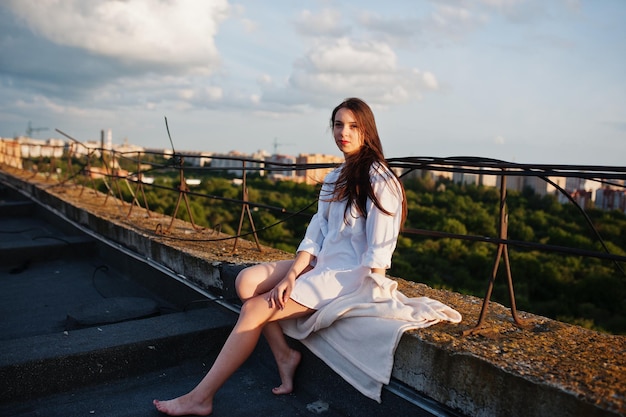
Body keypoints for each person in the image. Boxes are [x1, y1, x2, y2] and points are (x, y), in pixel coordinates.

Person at [153, 97, 454, 416]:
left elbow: (379, 253)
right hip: (322, 263)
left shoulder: (380, 180)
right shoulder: (335, 177)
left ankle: (200, 397)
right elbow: (316, 234)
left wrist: (370, 293)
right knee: (246, 282)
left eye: (353, 126)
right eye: (338, 125)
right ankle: (284, 356)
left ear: (367, 130)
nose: (344, 133)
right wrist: (294, 274)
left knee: (255, 309)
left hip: (349, 276)